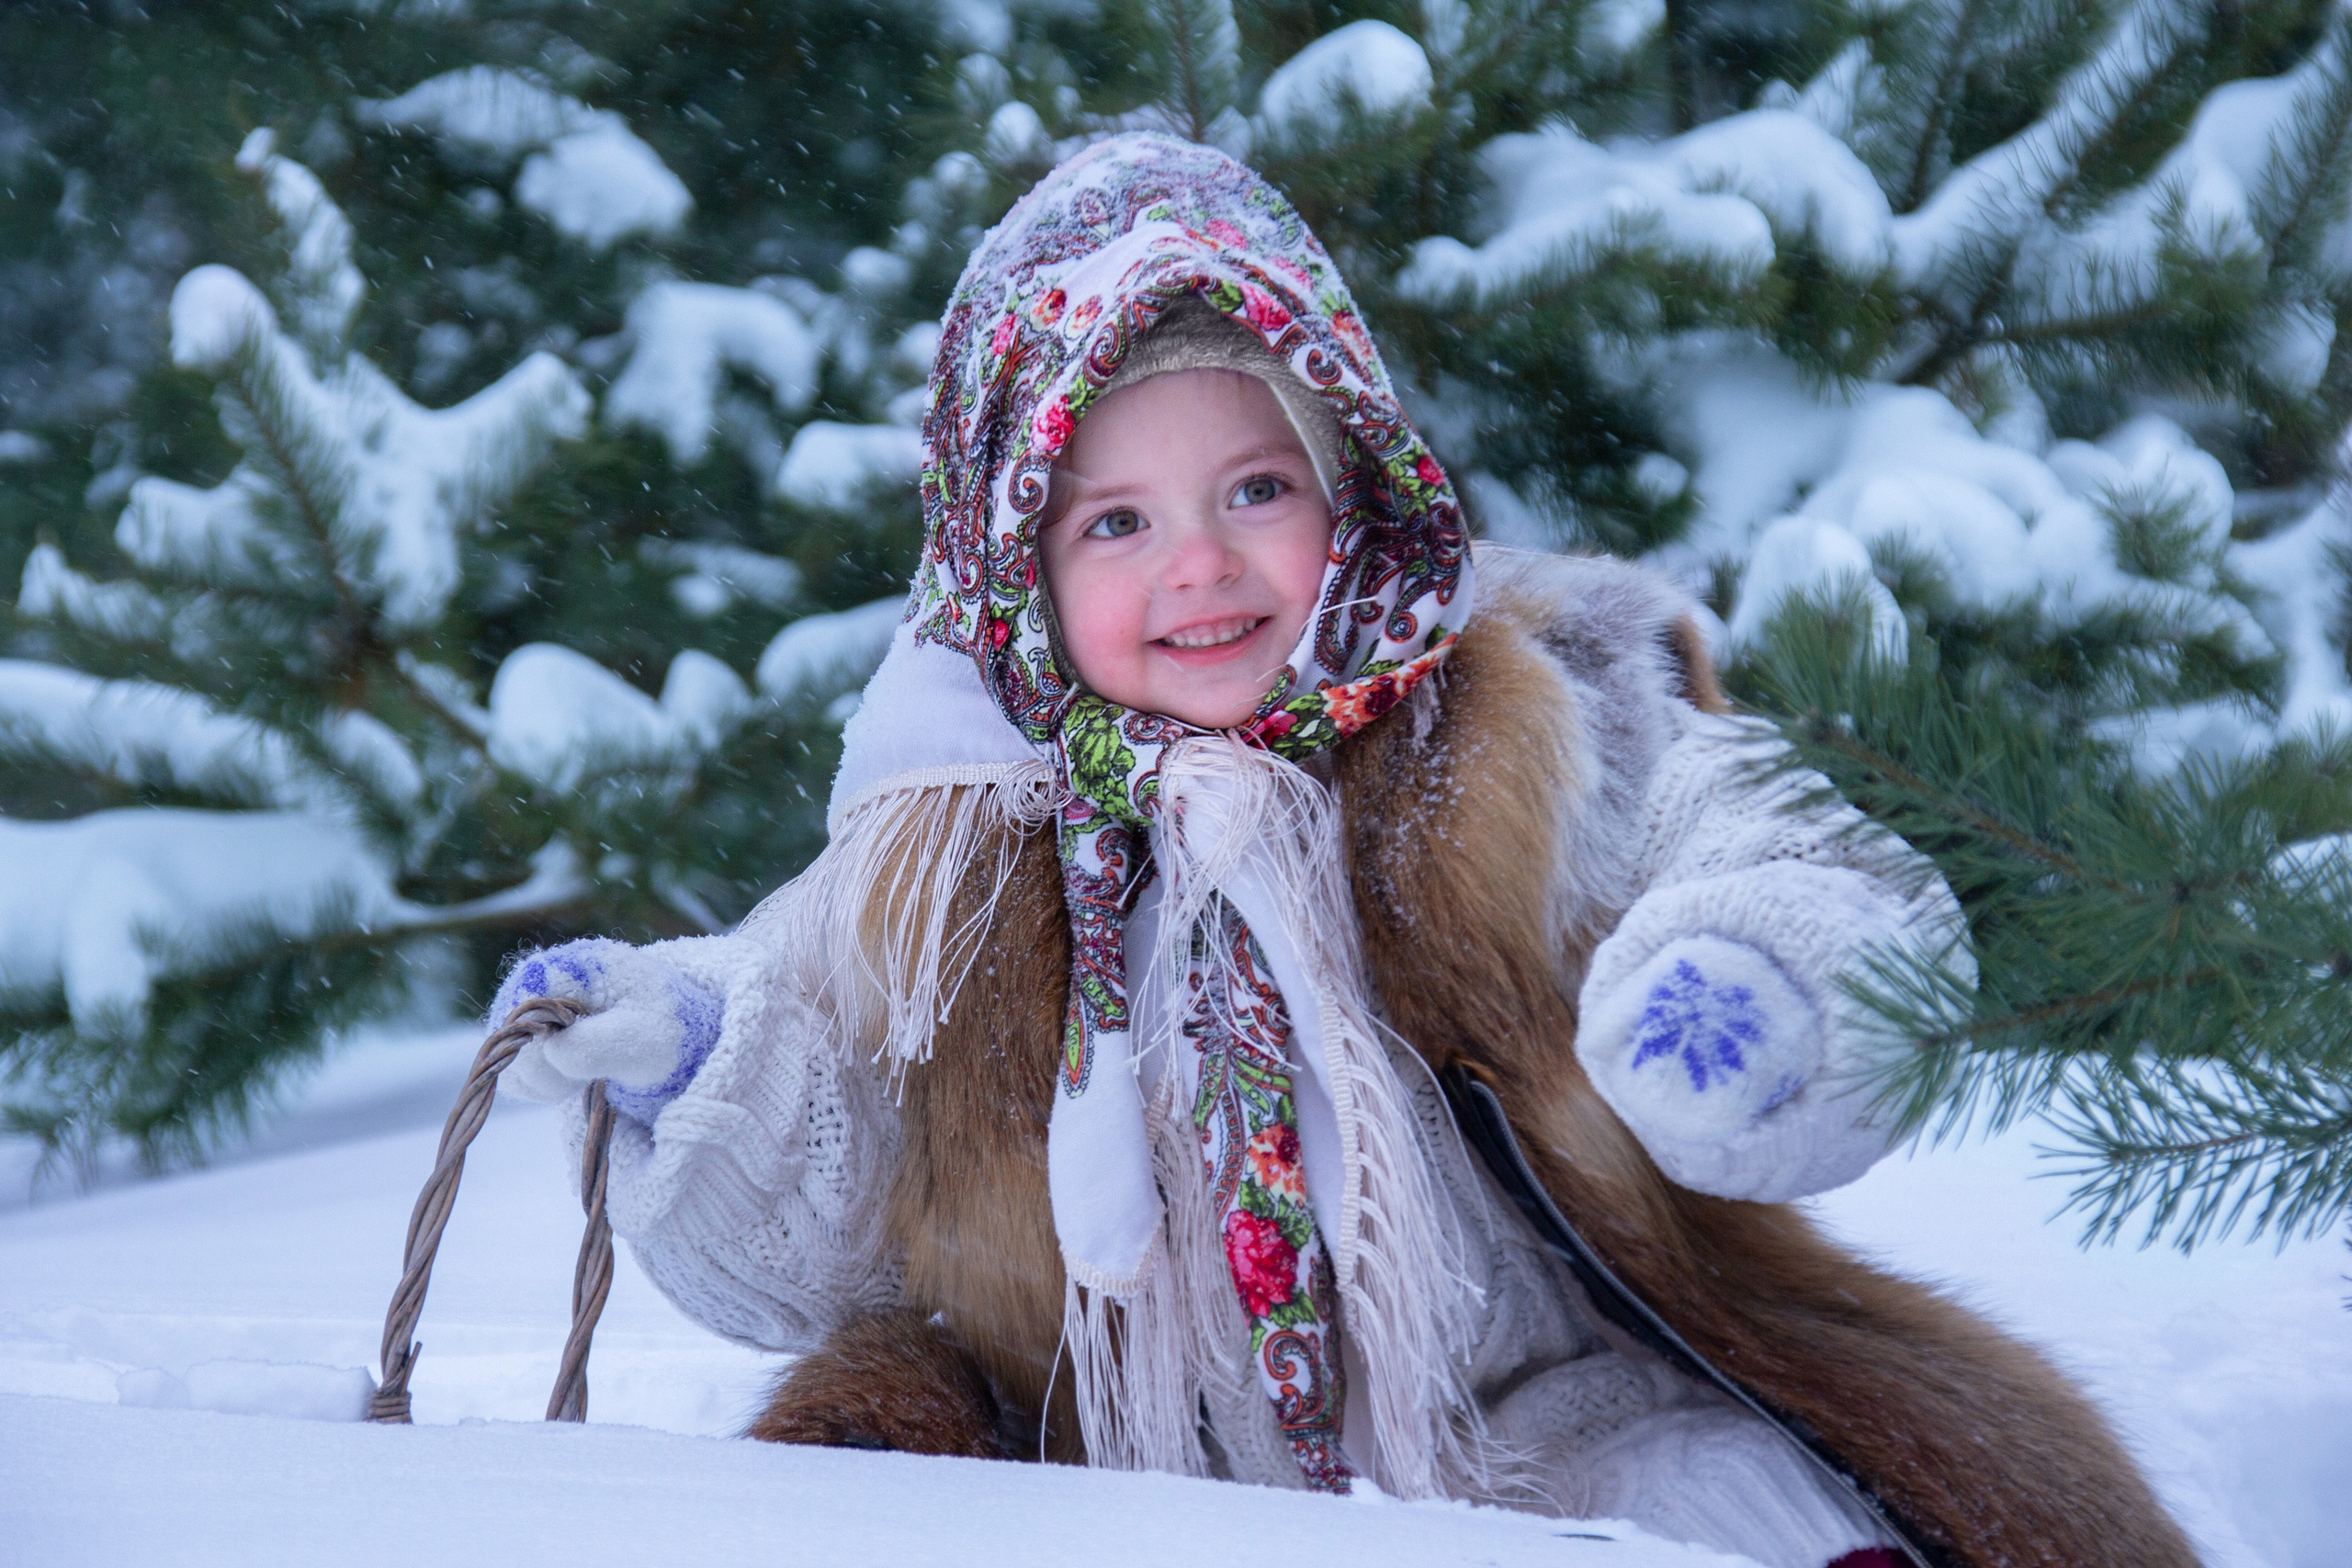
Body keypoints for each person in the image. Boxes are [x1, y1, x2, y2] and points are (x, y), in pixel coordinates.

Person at [488, 135, 2194, 1568]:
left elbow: (1753, 833)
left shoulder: (1512, 712)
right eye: (1116, 523)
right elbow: (822, 1206)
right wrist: (701, 1061)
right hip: (1144, 1487)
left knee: (1693, 1506)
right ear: (1014, 560)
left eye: (1255, 490)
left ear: (1351, 479)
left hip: (1546, 1402)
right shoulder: (946, 850)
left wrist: (1754, 983)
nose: (1201, 568)